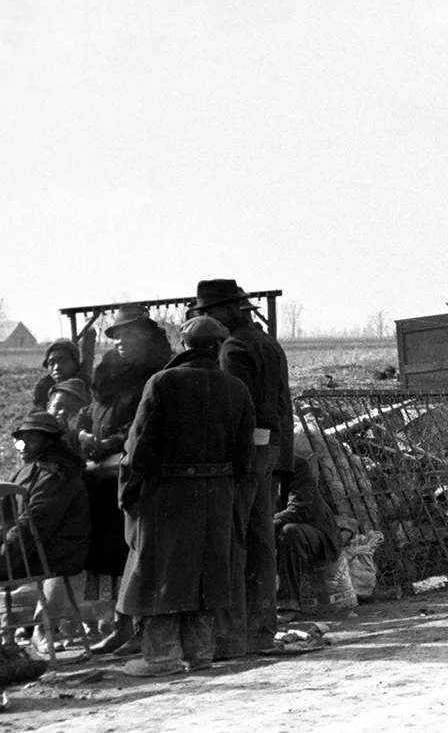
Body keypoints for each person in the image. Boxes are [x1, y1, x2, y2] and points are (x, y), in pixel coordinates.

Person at [117, 316, 256, 677]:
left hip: (168, 496)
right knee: (207, 574)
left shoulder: (162, 383)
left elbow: (139, 447)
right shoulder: (237, 389)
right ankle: (200, 653)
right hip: (217, 497)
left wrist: (128, 493)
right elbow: (246, 458)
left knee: (160, 572)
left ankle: (161, 657)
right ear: (217, 347)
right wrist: (227, 493)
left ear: (184, 345)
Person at [195, 279, 293, 660]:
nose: (206, 319)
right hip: (272, 448)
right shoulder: (268, 342)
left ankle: (233, 637)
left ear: (232, 309)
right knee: (261, 541)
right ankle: (262, 632)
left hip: (249, 449)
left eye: (209, 312)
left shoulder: (233, 347)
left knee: (235, 541)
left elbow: (237, 407)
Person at [0, 412, 90, 651]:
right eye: (20, 440)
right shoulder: (29, 469)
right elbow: (4, 518)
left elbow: (35, 524)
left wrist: (3, 560)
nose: (22, 446)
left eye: (30, 440)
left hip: (53, 552)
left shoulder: (57, 473)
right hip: (26, 548)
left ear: (49, 442)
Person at [86, 304, 173, 656]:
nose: (120, 341)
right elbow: (90, 414)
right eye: (116, 335)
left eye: (128, 334)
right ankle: (121, 624)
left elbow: (146, 426)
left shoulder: (158, 375)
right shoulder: (107, 377)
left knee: (137, 551)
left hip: (137, 475)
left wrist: (110, 442)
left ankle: (140, 627)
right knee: (113, 554)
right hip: (104, 480)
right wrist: (83, 434)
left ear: (147, 337)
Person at [275, 451, 341, 616]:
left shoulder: (296, 465)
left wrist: (265, 526)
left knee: (289, 532)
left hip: (315, 531)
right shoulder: (249, 467)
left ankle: (288, 605)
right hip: (275, 527)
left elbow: (298, 509)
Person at [32, 337, 89, 411]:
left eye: (63, 361)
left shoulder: (88, 389)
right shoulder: (43, 390)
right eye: (51, 363)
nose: (57, 367)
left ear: (75, 363)